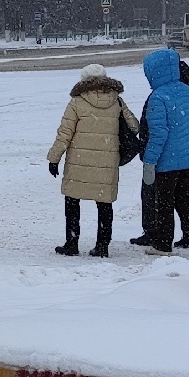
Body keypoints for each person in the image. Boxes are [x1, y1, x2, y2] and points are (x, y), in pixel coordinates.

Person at [130, 47, 189, 254]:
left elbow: (158, 134)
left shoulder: (158, 97)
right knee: (184, 197)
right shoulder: (187, 91)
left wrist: (150, 160)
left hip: (167, 161)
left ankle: (162, 244)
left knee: (163, 202)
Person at [46, 62, 126, 256]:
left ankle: (72, 243)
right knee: (105, 203)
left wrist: (54, 158)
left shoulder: (77, 102)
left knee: (72, 201)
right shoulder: (117, 101)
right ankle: (102, 246)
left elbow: (65, 133)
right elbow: (133, 126)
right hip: (106, 163)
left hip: (78, 162)